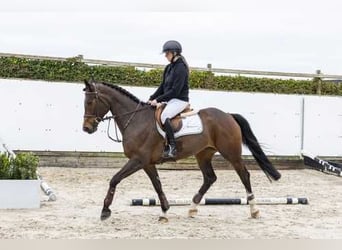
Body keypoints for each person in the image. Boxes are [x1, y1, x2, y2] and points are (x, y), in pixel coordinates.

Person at [148, 40, 190, 160]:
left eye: (167, 53)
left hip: (180, 100)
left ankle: (172, 146)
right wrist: (152, 98)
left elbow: (175, 91)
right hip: (170, 99)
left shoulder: (181, 68)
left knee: (164, 116)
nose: (166, 56)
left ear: (174, 53)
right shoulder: (169, 67)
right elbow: (162, 87)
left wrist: (159, 100)